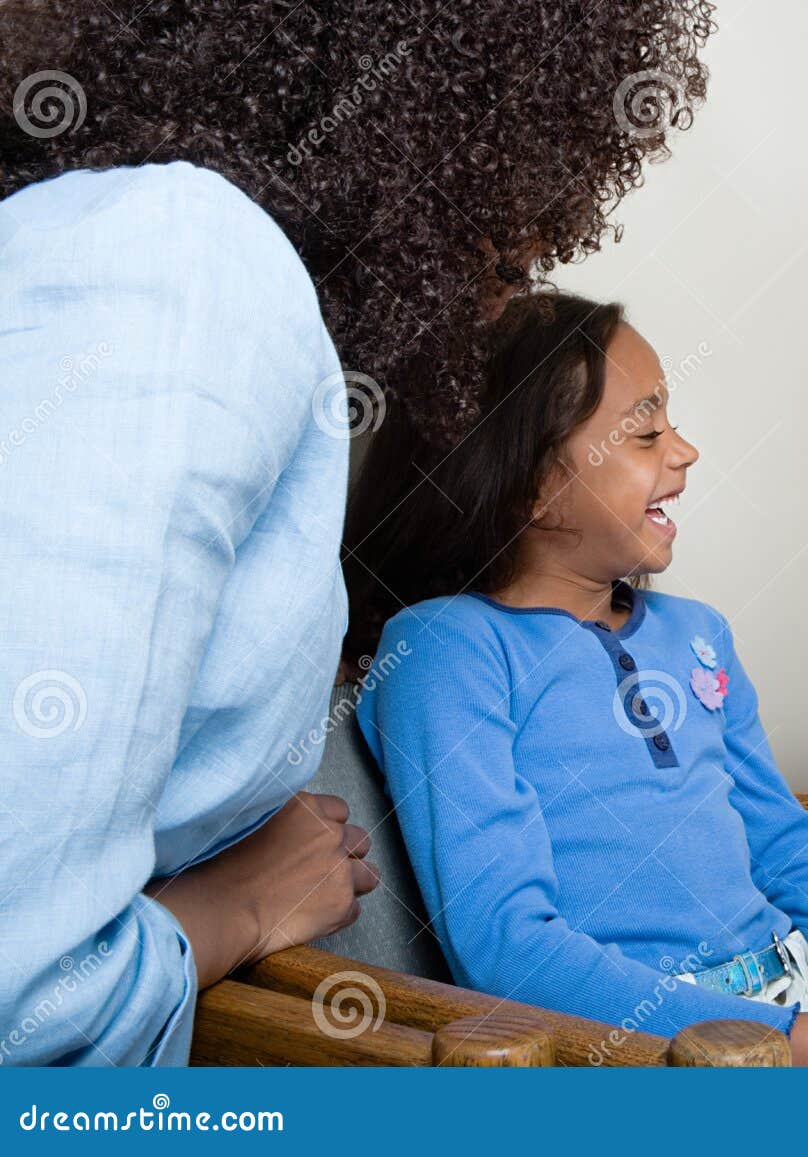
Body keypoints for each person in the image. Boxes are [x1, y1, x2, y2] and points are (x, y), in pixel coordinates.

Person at [0, 0, 716, 1066]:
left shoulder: (123, 250)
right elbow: (26, 1000)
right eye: (504, 259)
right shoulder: (185, 260)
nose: (500, 307)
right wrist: (239, 903)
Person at [347, 293, 808, 1066]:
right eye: (646, 432)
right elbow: (507, 950)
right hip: (654, 1051)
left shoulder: (697, 634)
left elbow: (781, 839)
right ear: (532, 486)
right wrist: (788, 1040)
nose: (684, 451)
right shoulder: (446, 652)